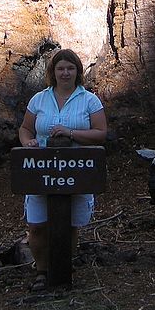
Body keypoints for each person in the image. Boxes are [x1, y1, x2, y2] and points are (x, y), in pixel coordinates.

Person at [18, 48, 108, 291]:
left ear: (77, 71)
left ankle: (63, 269)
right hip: (42, 171)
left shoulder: (89, 100)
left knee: (69, 225)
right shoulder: (39, 99)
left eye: (70, 68)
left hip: (77, 171)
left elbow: (101, 133)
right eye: (60, 68)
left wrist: (71, 133)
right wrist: (28, 143)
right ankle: (42, 271)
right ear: (53, 72)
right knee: (37, 226)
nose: (65, 73)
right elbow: (25, 129)